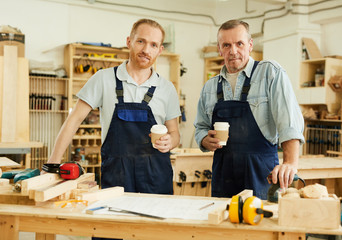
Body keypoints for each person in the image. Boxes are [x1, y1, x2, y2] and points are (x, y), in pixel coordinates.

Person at [47, 19, 181, 195]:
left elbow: (175, 134)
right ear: (129, 42)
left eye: (153, 45)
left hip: (156, 176)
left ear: (160, 50)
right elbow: (74, 120)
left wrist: (170, 141)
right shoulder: (103, 79)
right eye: (141, 41)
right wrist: (52, 165)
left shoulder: (167, 88)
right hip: (117, 175)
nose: (146, 50)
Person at [194, 19, 304, 199]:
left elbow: (289, 122)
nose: (233, 51)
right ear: (219, 48)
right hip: (224, 174)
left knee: (260, 220)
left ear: (250, 45)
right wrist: (206, 140)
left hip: (261, 173)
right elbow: (200, 127)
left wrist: (290, 163)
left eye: (239, 43)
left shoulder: (270, 73)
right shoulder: (210, 87)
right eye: (227, 45)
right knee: (223, 222)